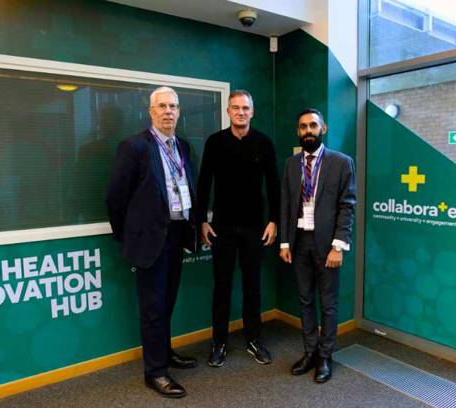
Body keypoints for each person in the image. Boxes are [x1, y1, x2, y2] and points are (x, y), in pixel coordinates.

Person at [106, 86, 198, 399]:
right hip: (149, 241)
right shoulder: (134, 147)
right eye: (162, 106)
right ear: (151, 112)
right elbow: (115, 198)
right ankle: (155, 372)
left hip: (176, 234)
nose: (168, 111)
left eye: (173, 106)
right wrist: (128, 236)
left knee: (167, 302)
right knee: (152, 308)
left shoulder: (183, 146)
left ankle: (165, 352)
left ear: (179, 111)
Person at [197, 89, 280, 367]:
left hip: (255, 228)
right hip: (221, 228)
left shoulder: (264, 143)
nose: (241, 112)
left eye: (245, 108)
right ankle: (218, 343)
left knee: (252, 288)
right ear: (228, 112)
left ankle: (254, 340)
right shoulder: (215, 142)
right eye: (236, 108)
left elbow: (274, 185)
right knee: (221, 287)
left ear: (252, 112)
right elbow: (203, 183)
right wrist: (202, 221)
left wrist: (274, 220)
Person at [279, 108, 356, 383]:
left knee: (329, 304)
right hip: (299, 242)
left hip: (327, 245)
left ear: (323, 129)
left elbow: (347, 206)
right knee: (305, 300)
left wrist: (339, 246)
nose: (307, 131)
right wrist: (285, 242)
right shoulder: (291, 164)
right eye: (302, 127)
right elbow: (286, 204)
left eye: (312, 126)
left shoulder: (341, 162)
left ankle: (325, 356)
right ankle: (310, 352)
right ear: (298, 132)